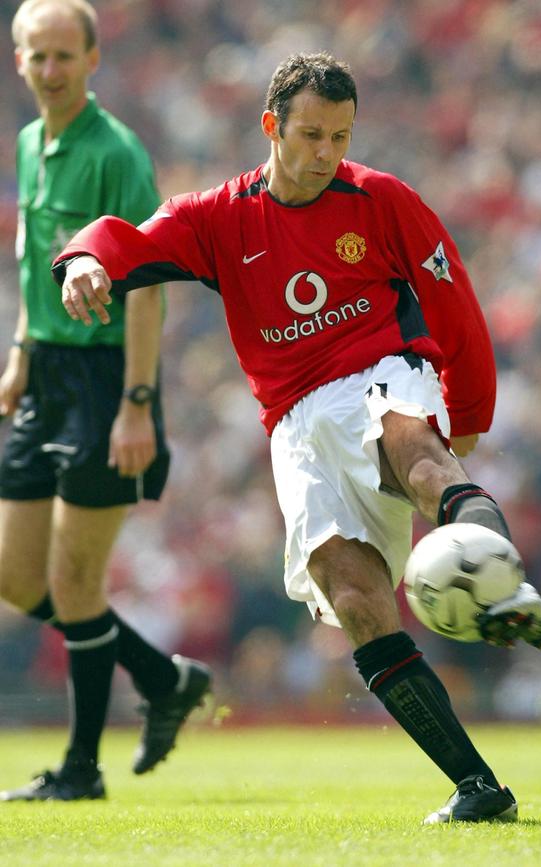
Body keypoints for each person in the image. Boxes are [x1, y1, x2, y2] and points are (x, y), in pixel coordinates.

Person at [55, 52, 541, 823]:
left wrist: (470, 416)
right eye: (313, 135)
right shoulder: (219, 217)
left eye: (341, 137)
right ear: (272, 126)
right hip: (293, 425)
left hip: (382, 374)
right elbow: (134, 240)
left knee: (414, 453)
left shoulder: (382, 198)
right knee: (357, 599)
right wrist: (87, 259)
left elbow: (452, 300)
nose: (328, 153)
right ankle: (478, 786)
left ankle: (500, 579)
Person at [0, 0, 212, 802]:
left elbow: (148, 292)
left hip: (104, 380)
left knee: (79, 583)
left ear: (93, 59)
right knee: (19, 578)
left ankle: (81, 770)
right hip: (46, 372)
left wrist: (136, 403)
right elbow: (33, 264)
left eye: (63, 55)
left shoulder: (118, 152)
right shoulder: (28, 142)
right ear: (18, 60)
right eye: (35, 56)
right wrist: (21, 350)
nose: (49, 70)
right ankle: (165, 679)